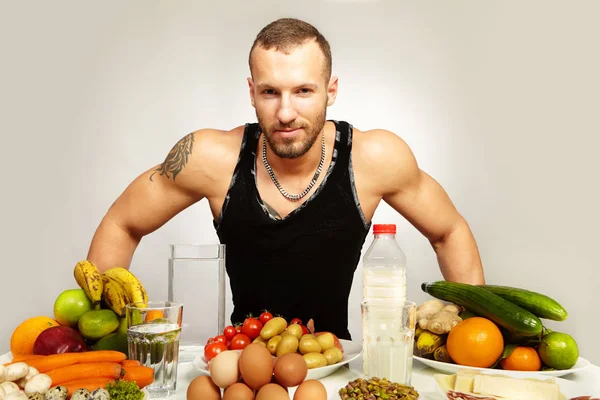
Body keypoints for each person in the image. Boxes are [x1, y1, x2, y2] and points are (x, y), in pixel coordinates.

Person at [86, 17, 484, 340]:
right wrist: (96, 335)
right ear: (251, 92)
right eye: (270, 92)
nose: (287, 112)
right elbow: (123, 222)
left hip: (334, 363)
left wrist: (477, 334)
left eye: (304, 91)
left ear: (331, 91)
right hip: (238, 357)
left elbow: (448, 230)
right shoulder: (210, 157)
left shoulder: (374, 157)